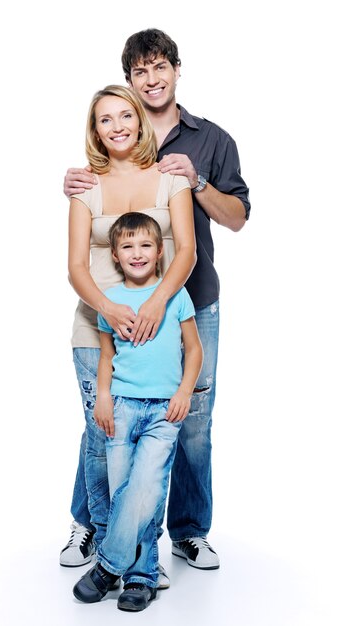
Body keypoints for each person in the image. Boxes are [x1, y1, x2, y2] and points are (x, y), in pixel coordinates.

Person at [62, 29, 250, 575]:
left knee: (189, 420)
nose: (151, 78)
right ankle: (95, 528)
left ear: (175, 69)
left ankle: (187, 535)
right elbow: (80, 249)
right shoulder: (107, 155)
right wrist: (76, 185)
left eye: (159, 66)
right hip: (109, 316)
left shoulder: (208, 141)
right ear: (127, 83)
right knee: (108, 421)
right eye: (139, 71)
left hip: (189, 303)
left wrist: (198, 183)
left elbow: (235, 219)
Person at [62, 83, 196, 585]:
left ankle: (137, 555)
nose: (117, 127)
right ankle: (101, 536)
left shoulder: (168, 179)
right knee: (104, 440)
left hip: (157, 326)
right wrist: (108, 309)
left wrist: (157, 303)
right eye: (104, 120)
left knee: (150, 455)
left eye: (125, 116)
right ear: (94, 130)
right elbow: (76, 267)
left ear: (140, 120)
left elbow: (185, 251)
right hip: (96, 327)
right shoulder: (85, 186)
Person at [73, 212, 203, 612]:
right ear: (114, 254)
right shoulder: (110, 306)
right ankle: (141, 576)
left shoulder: (176, 295)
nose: (137, 253)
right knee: (125, 493)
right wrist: (105, 398)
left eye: (146, 244)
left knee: (145, 488)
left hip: (165, 410)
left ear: (161, 250)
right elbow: (107, 356)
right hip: (122, 409)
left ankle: (108, 565)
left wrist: (184, 392)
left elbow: (194, 350)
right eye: (127, 246)